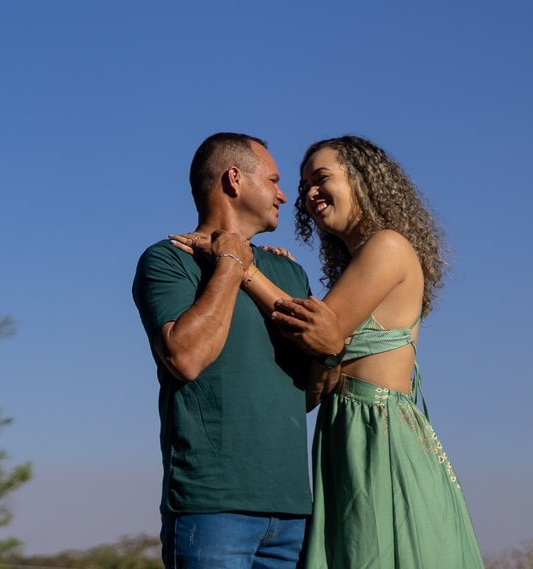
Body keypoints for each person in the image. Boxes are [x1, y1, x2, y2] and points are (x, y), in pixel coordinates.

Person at [174, 135, 484, 569]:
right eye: (303, 188)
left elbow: (323, 331)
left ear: (363, 179)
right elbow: (318, 350)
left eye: (320, 179)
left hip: (379, 435)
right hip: (345, 432)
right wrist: (259, 261)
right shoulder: (354, 265)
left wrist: (240, 263)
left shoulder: (389, 245)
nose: (307, 194)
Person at [132, 133, 318, 569]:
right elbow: (186, 358)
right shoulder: (168, 259)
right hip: (210, 508)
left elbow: (313, 386)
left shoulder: (289, 272)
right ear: (234, 179)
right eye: (272, 180)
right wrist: (232, 262)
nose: (284, 194)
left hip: (296, 512)